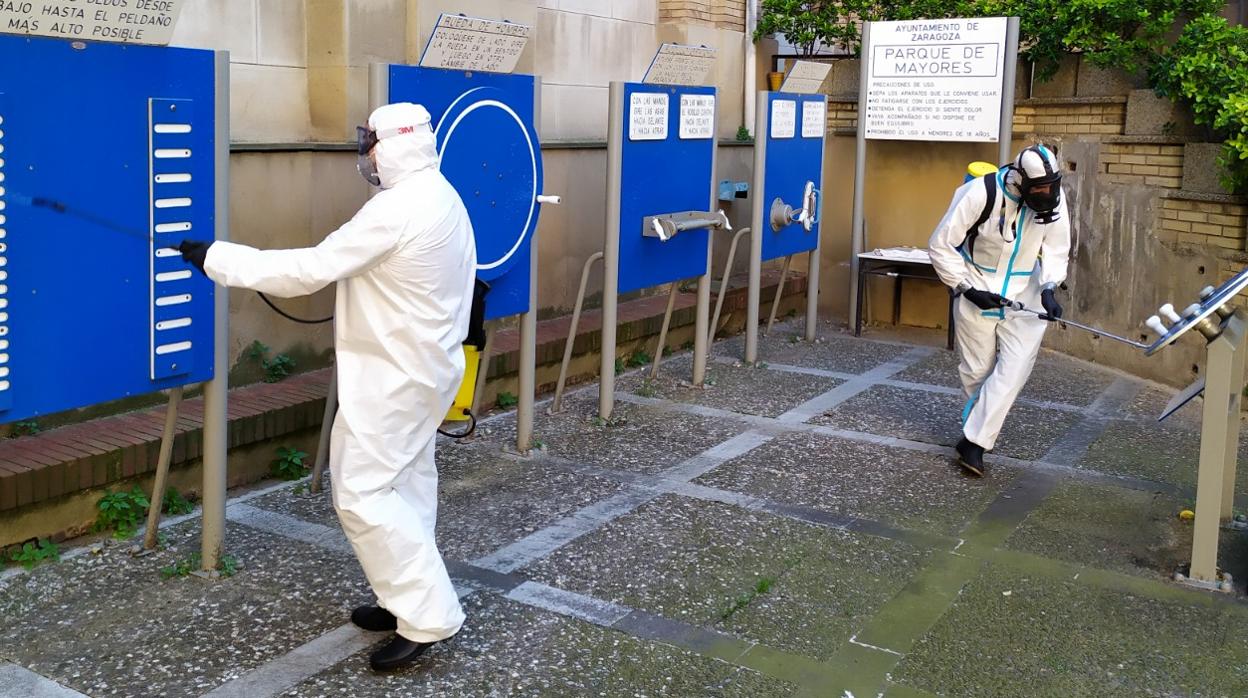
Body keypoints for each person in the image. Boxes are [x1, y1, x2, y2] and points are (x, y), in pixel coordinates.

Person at [179, 102, 474, 671]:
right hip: (426, 368)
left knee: (363, 491)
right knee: (406, 484)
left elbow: (308, 270)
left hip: (394, 377)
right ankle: (401, 598)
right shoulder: (440, 194)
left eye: (369, 142)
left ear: (391, 145)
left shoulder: (397, 209)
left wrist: (217, 257)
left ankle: (428, 615)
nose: (364, 153)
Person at [927, 145, 1071, 477]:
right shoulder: (980, 193)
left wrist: (1049, 287)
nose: (1047, 195)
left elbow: (1057, 247)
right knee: (978, 371)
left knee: (1014, 368)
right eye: (1040, 189)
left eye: (1052, 186)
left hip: (1027, 291)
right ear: (1020, 180)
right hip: (977, 281)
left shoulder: (1055, 198)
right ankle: (974, 433)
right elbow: (941, 243)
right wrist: (966, 287)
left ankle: (974, 445)